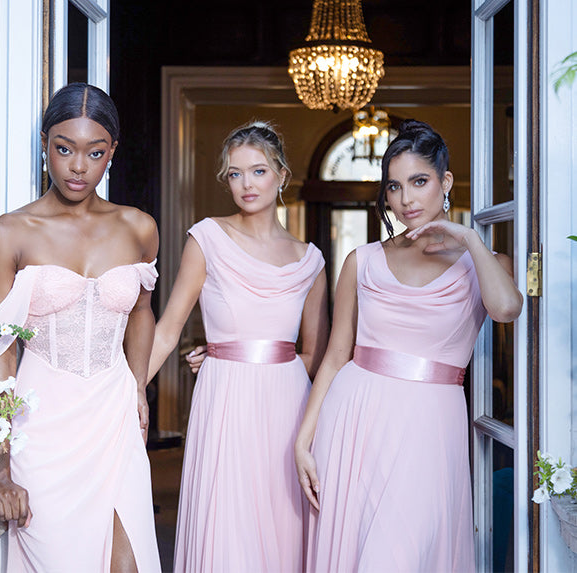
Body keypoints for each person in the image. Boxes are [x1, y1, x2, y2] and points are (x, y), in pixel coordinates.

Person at [295, 120, 523, 572]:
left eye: (419, 182)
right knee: (356, 550)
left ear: (446, 182)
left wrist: (470, 239)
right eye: (395, 187)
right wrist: (304, 439)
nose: (406, 199)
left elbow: (507, 309)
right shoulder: (362, 260)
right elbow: (337, 356)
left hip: (429, 427)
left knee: (402, 552)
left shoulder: (486, 263)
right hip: (354, 419)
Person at [0, 83, 162, 572]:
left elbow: (141, 311)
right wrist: (1, 467)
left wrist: (138, 387)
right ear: (45, 144)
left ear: (111, 154)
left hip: (115, 412)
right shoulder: (9, 233)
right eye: (64, 149)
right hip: (42, 425)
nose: (78, 166)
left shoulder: (138, 227)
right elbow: (2, 352)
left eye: (94, 152)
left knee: (130, 563)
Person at [147, 121, 328, 572]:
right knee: (227, 526)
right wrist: (127, 390)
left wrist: (253, 354)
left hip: (287, 406)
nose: (246, 184)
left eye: (258, 171)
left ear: (282, 175)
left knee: (283, 525)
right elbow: (168, 328)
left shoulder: (311, 261)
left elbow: (316, 358)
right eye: (234, 173)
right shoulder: (206, 238)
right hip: (225, 398)